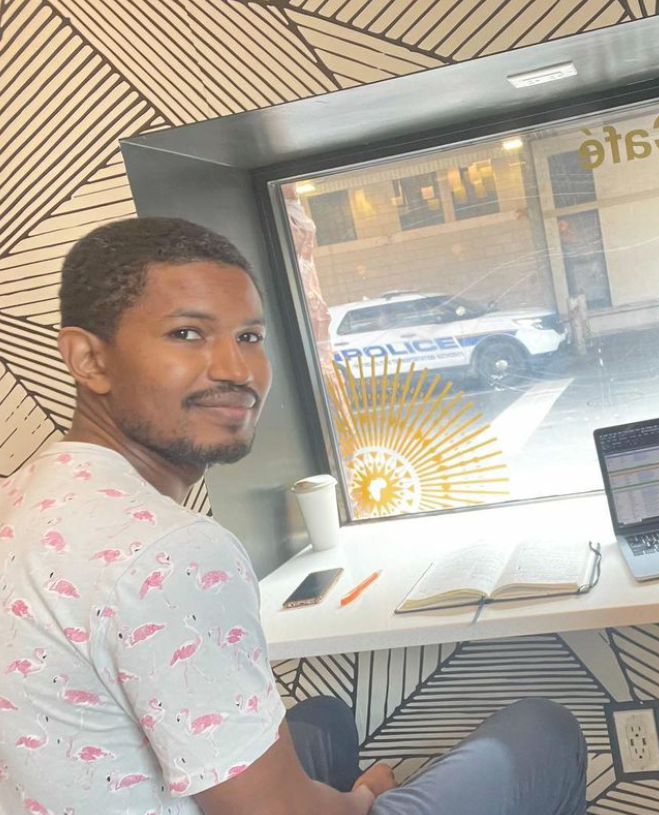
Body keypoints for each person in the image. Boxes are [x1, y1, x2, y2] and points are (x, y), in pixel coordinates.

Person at [0, 217, 588, 815]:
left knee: (324, 719)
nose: (236, 369)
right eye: (187, 333)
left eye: (250, 337)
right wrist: (360, 799)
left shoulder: (24, 494)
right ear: (88, 359)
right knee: (542, 731)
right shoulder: (168, 548)